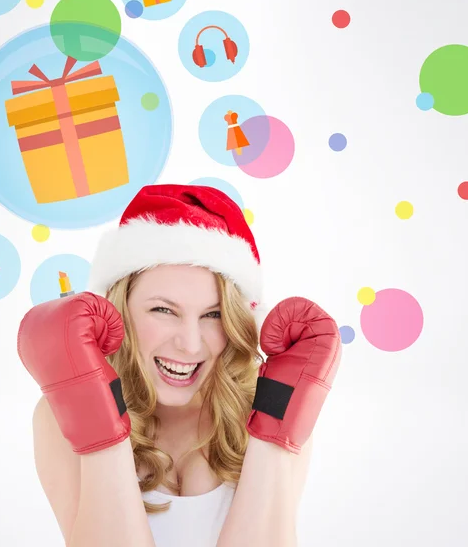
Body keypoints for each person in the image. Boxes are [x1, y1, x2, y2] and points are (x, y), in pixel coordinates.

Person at [18, 184, 342, 547]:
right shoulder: (57, 415)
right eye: (163, 310)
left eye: (213, 315)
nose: (190, 344)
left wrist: (271, 436)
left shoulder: (275, 403)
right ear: (118, 310)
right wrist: (98, 425)